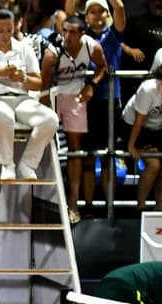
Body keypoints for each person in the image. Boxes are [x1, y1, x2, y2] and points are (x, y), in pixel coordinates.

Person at [0, 8, 58, 181]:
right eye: (0, 31)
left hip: (22, 99)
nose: (5, 34)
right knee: (4, 114)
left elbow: (38, 83)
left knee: (50, 119)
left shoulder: (24, 47)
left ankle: (28, 164)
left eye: (9, 30)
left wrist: (23, 77)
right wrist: (1, 72)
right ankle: (7, 164)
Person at [40, 15, 107, 223]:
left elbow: (102, 68)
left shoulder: (92, 47)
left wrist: (91, 85)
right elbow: (43, 85)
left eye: (72, 32)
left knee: (75, 149)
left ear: (82, 34)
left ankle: (73, 204)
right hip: (52, 95)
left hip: (76, 95)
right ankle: (43, 202)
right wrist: (46, 109)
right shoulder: (52, 53)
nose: (67, 36)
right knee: (45, 145)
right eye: (64, 31)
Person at [73, 0, 127, 209]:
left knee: (107, 156)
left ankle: (108, 207)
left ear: (107, 14)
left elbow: (120, 8)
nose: (96, 15)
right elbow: (68, 13)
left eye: (101, 11)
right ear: (86, 16)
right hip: (84, 101)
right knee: (87, 156)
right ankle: (87, 206)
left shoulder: (113, 34)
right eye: (92, 12)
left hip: (109, 100)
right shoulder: (81, 35)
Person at [121, 55, 162, 212]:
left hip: (159, 127)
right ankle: (140, 206)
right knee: (154, 164)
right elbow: (139, 121)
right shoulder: (148, 89)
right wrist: (131, 146)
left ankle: (161, 204)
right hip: (134, 126)